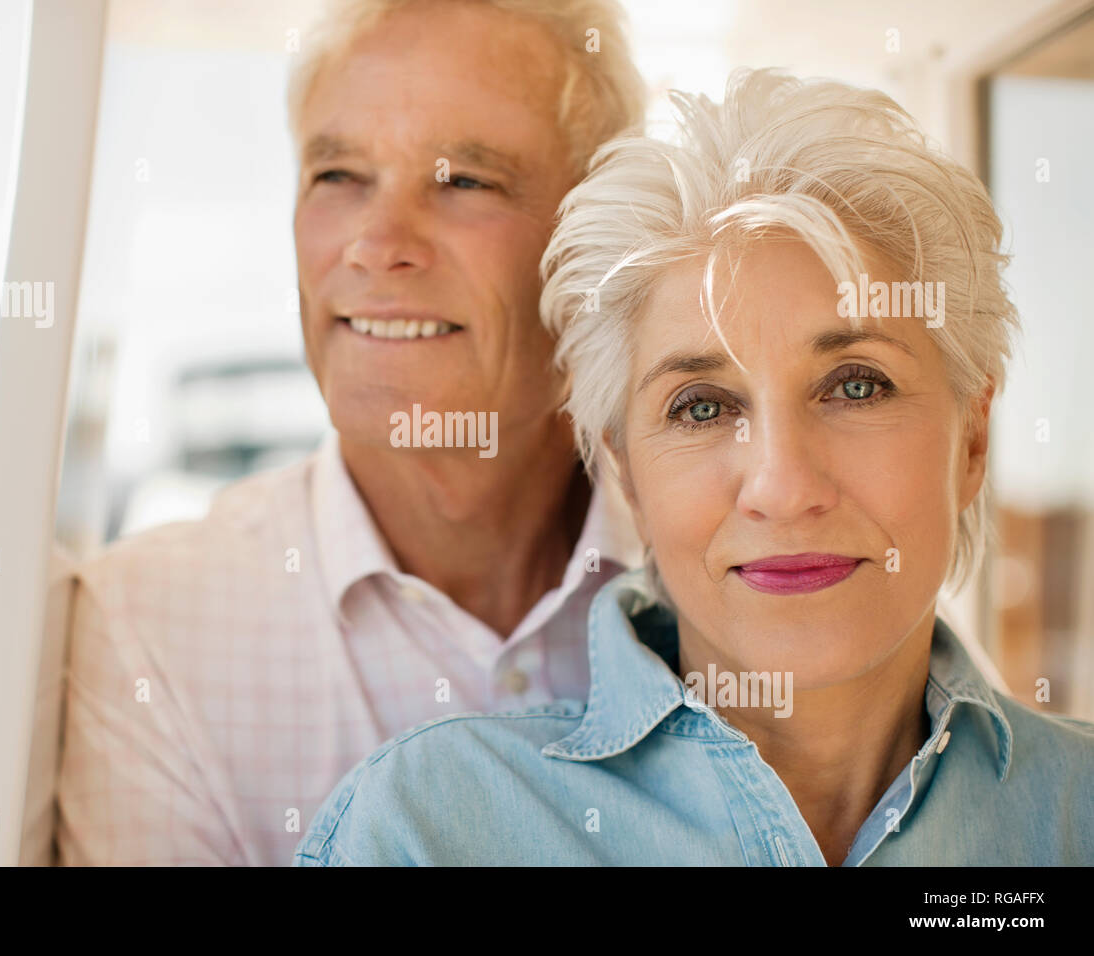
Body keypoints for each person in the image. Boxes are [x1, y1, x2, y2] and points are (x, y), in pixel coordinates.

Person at [293, 69, 1094, 866]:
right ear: (628, 473)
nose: (781, 487)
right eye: (702, 407)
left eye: (856, 386)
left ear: (973, 441)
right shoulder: (426, 828)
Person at [55, 0, 647, 866]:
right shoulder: (146, 628)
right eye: (338, 176)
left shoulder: (732, 581)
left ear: (599, 243)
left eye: (463, 181)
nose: (376, 245)